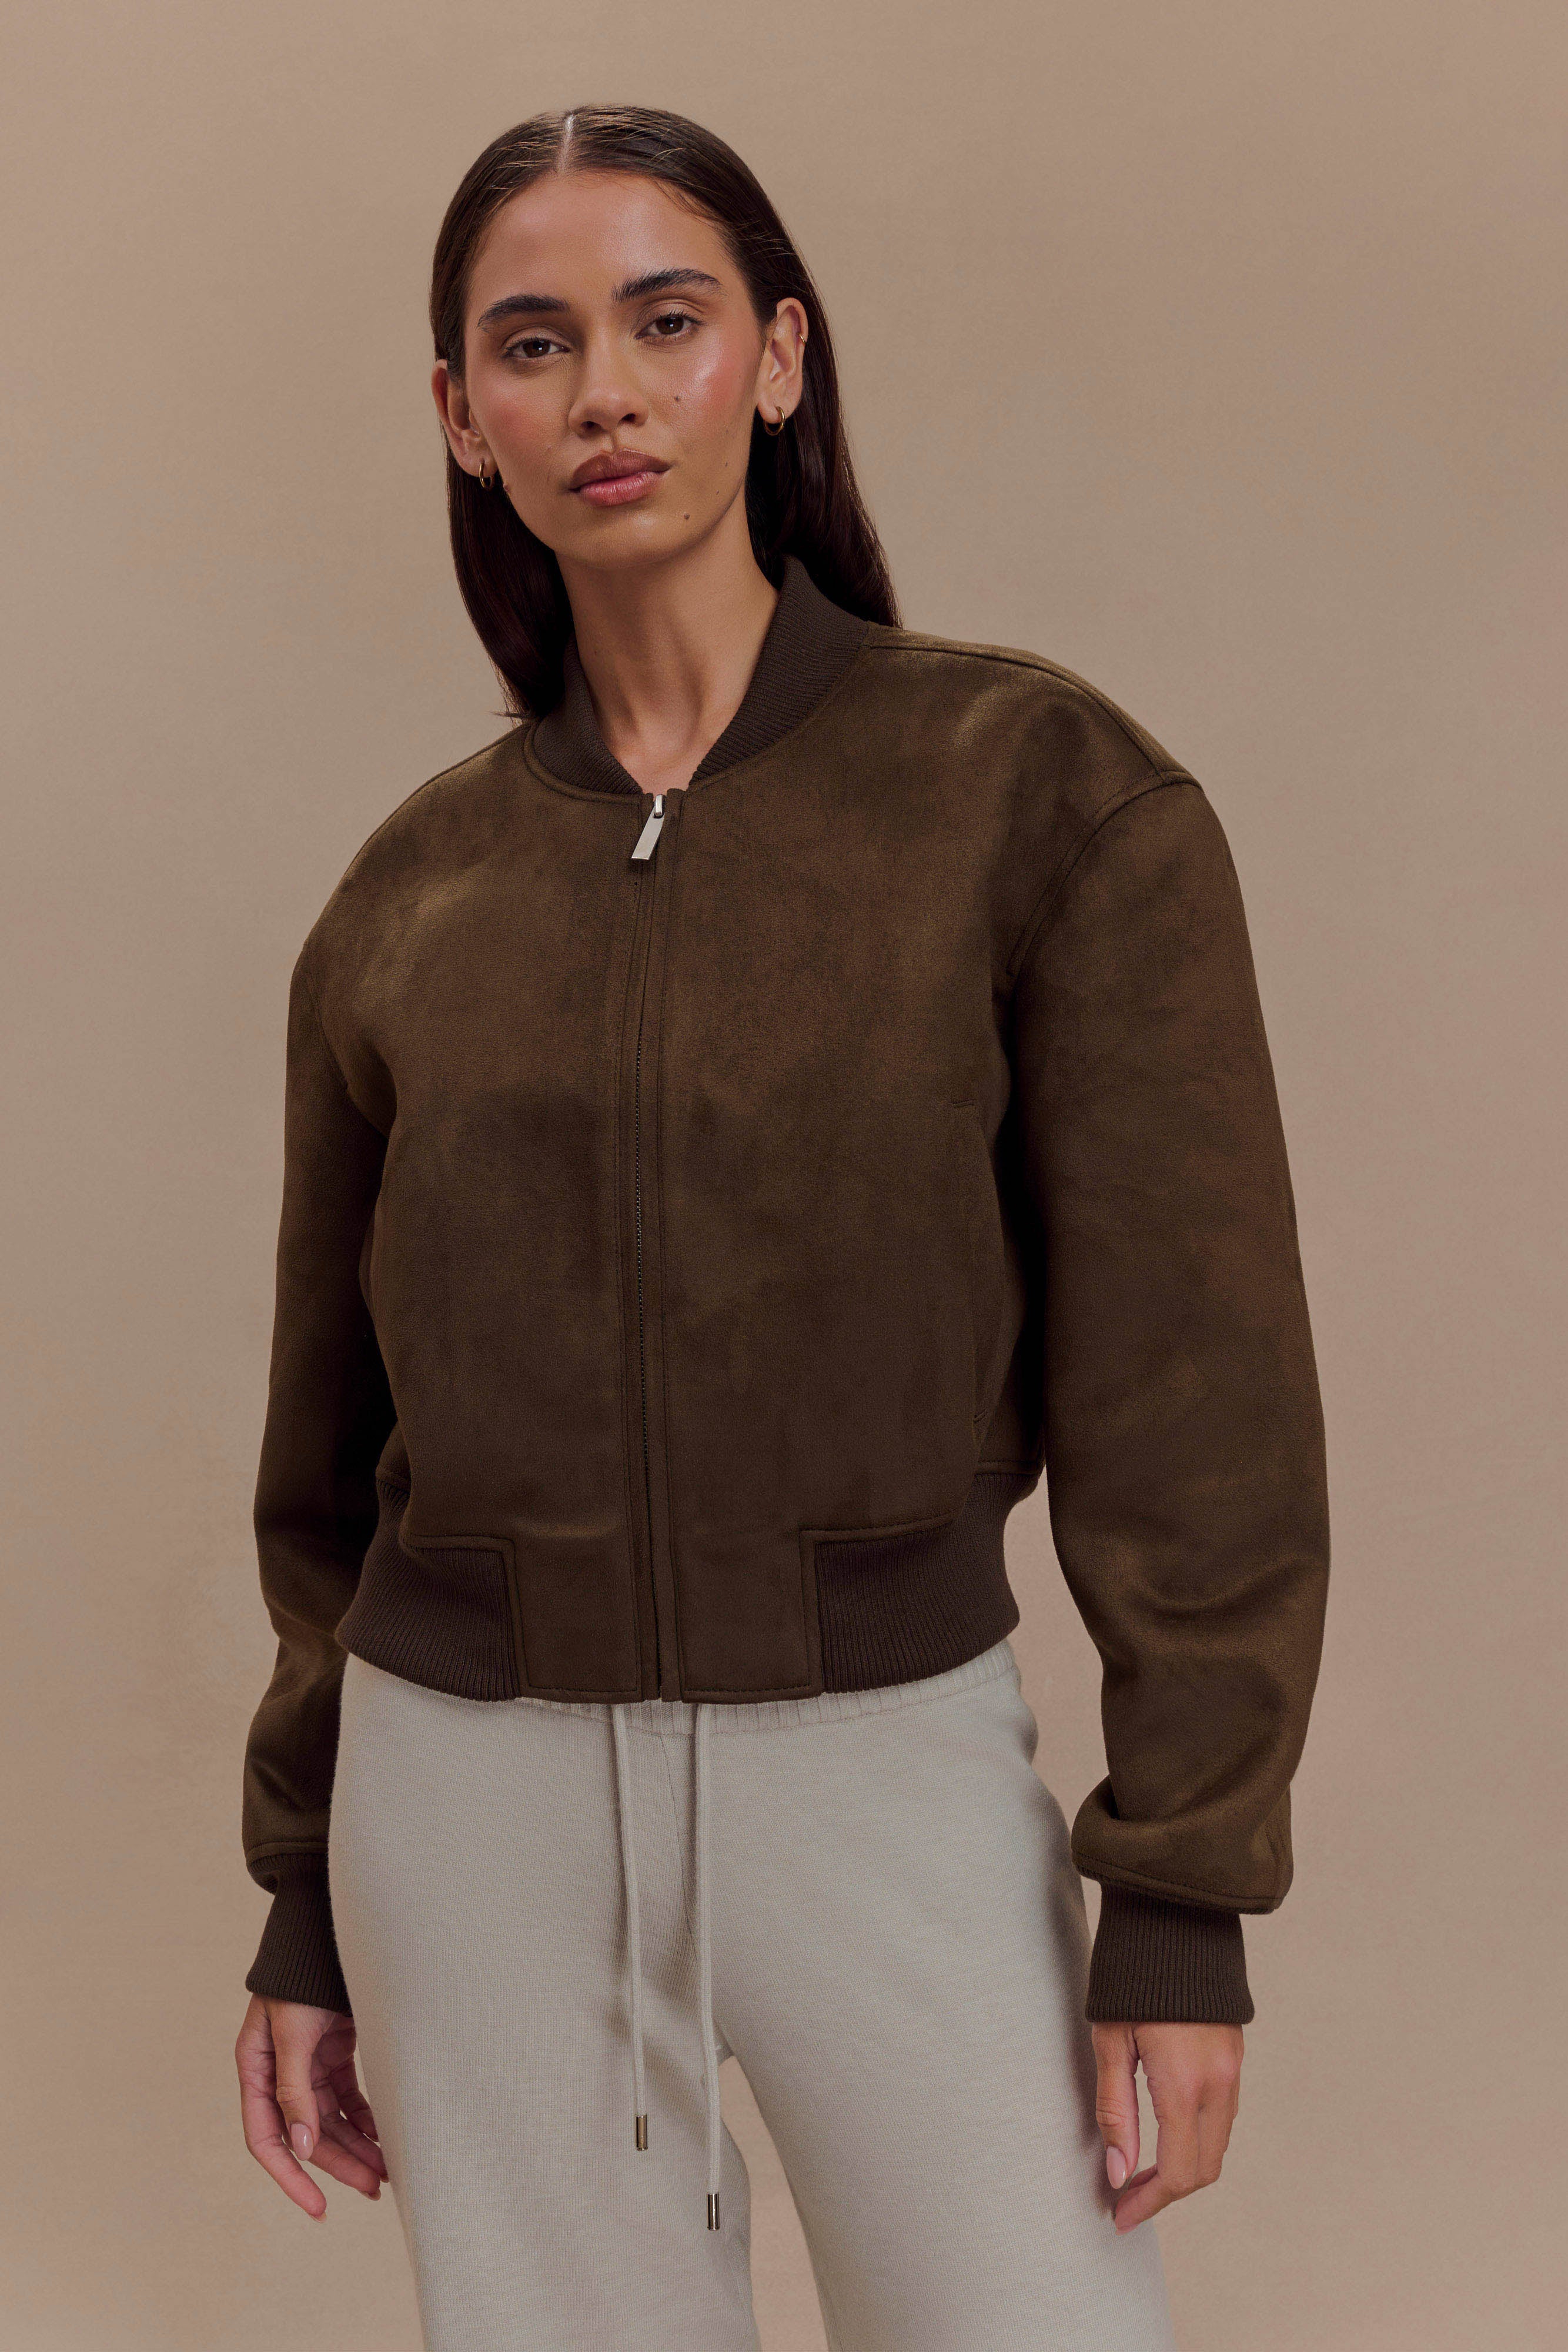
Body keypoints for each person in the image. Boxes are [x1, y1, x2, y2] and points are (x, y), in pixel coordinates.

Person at [232, 103, 1329, 2352]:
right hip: (467, 1818)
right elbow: (330, 1465)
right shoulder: (411, 897)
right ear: (460, 414)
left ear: (783, 357)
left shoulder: (1036, 800)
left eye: (668, 321)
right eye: (533, 344)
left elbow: (1191, 1395)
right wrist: (306, 1898)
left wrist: (1180, 1893)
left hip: (882, 1777)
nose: (605, 393)